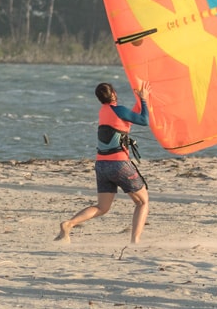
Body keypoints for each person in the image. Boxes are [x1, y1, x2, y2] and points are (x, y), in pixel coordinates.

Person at [55, 80, 151, 244]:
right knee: (143, 202)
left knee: (102, 208)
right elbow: (143, 120)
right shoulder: (118, 109)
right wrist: (144, 100)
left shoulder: (104, 111)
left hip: (102, 165)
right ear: (113, 93)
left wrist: (139, 98)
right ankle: (135, 240)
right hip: (119, 165)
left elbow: (129, 118)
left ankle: (69, 223)